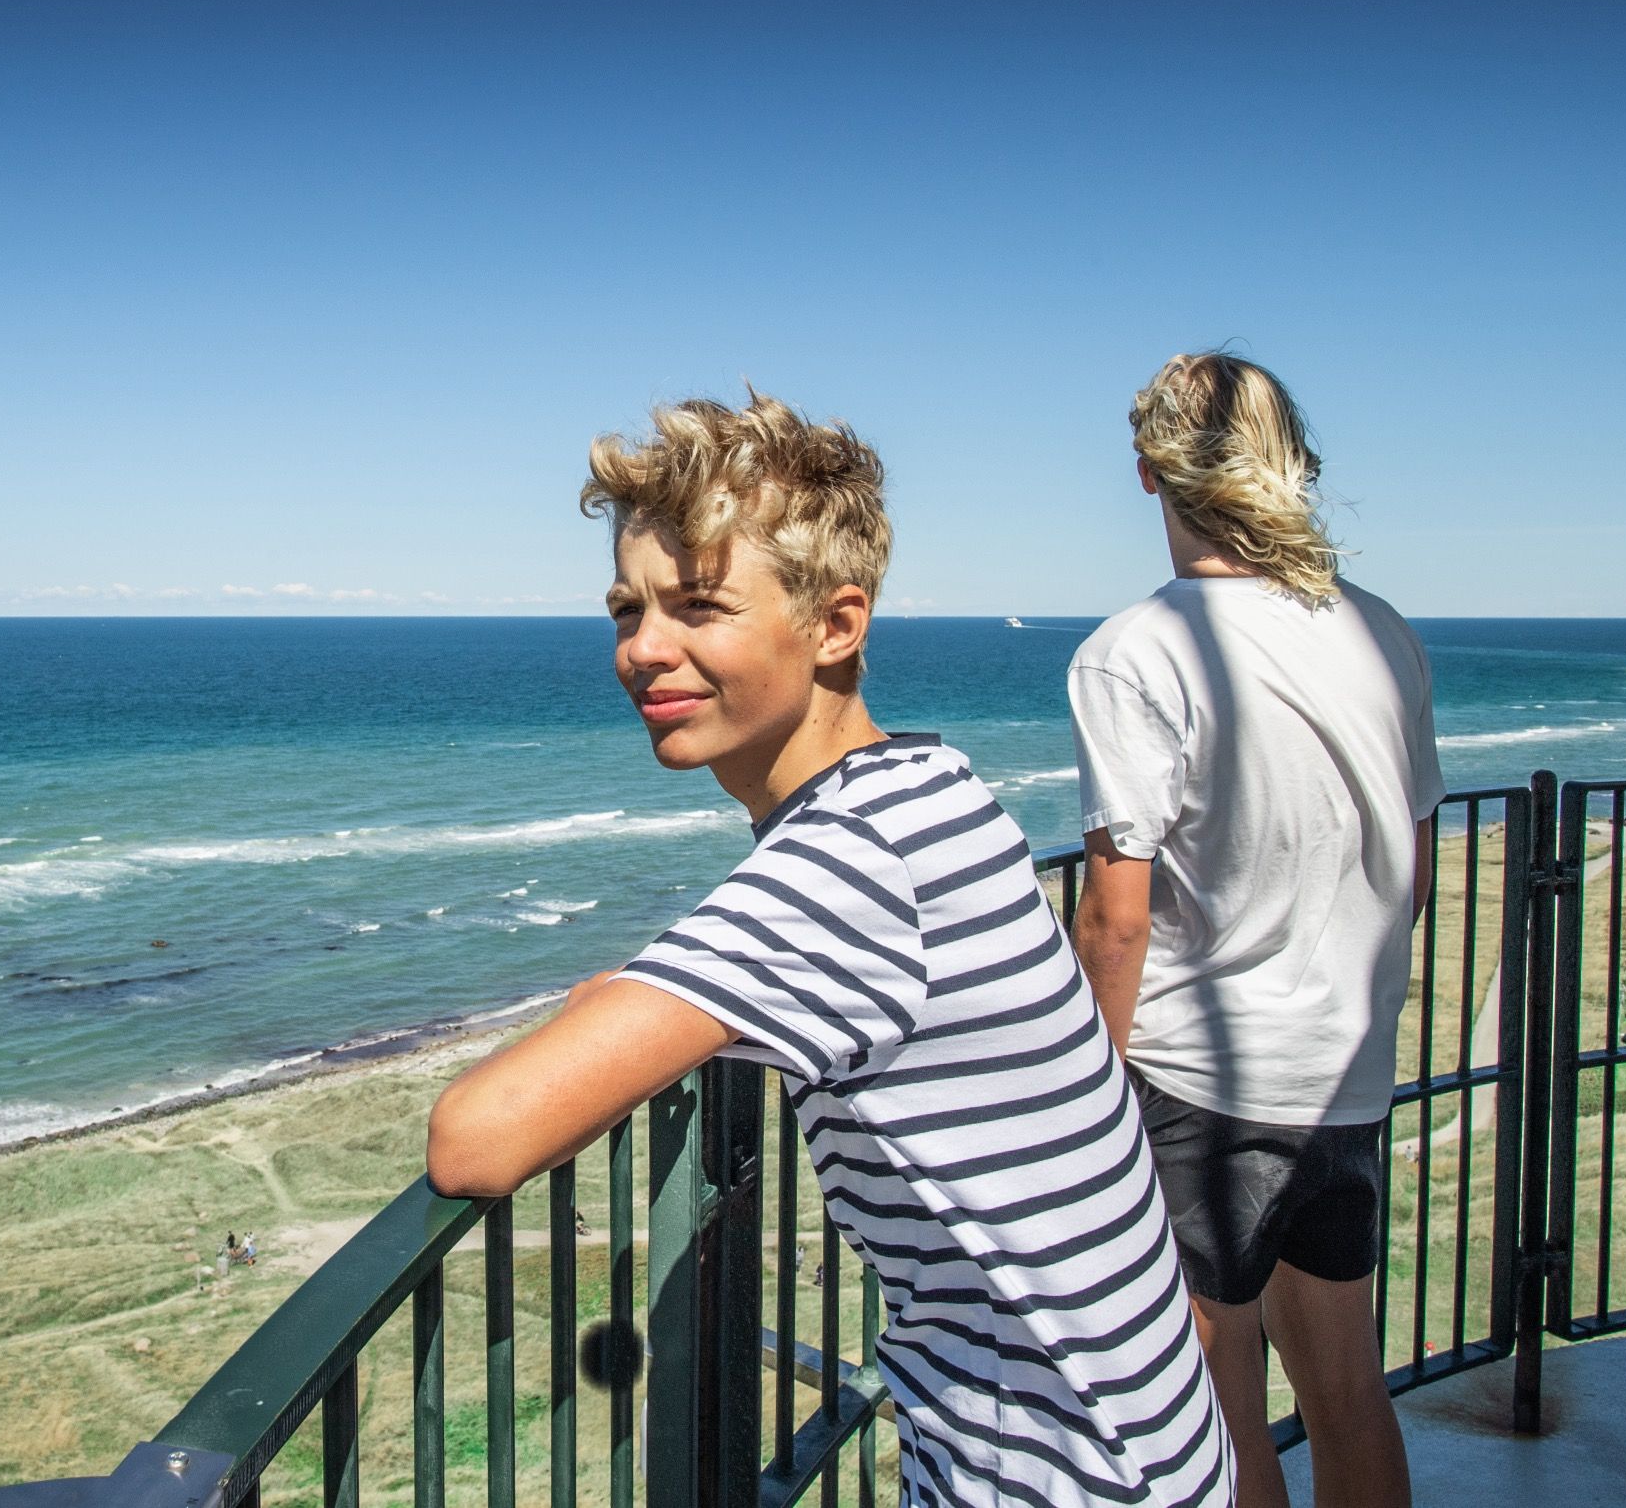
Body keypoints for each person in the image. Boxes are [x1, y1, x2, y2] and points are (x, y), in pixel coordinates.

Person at [428, 392, 1232, 1508]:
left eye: (700, 605)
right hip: (1141, 1441)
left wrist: (619, 1012)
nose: (645, 651)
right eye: (628, 609)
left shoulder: (846, 867)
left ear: (837, 625)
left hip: (1047, 1474)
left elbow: (475, 1139)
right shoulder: (927, 787)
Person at [1066, 353, 1442, 1508]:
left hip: (1201, 1088)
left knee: (1217, 1412)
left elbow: (1116, 921)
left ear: (1146, 473)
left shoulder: (1136, 652)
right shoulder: (1379, 632)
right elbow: (1412, 870)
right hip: (1347, 1073)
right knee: (1343, 1383)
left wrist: (1089, 1092)